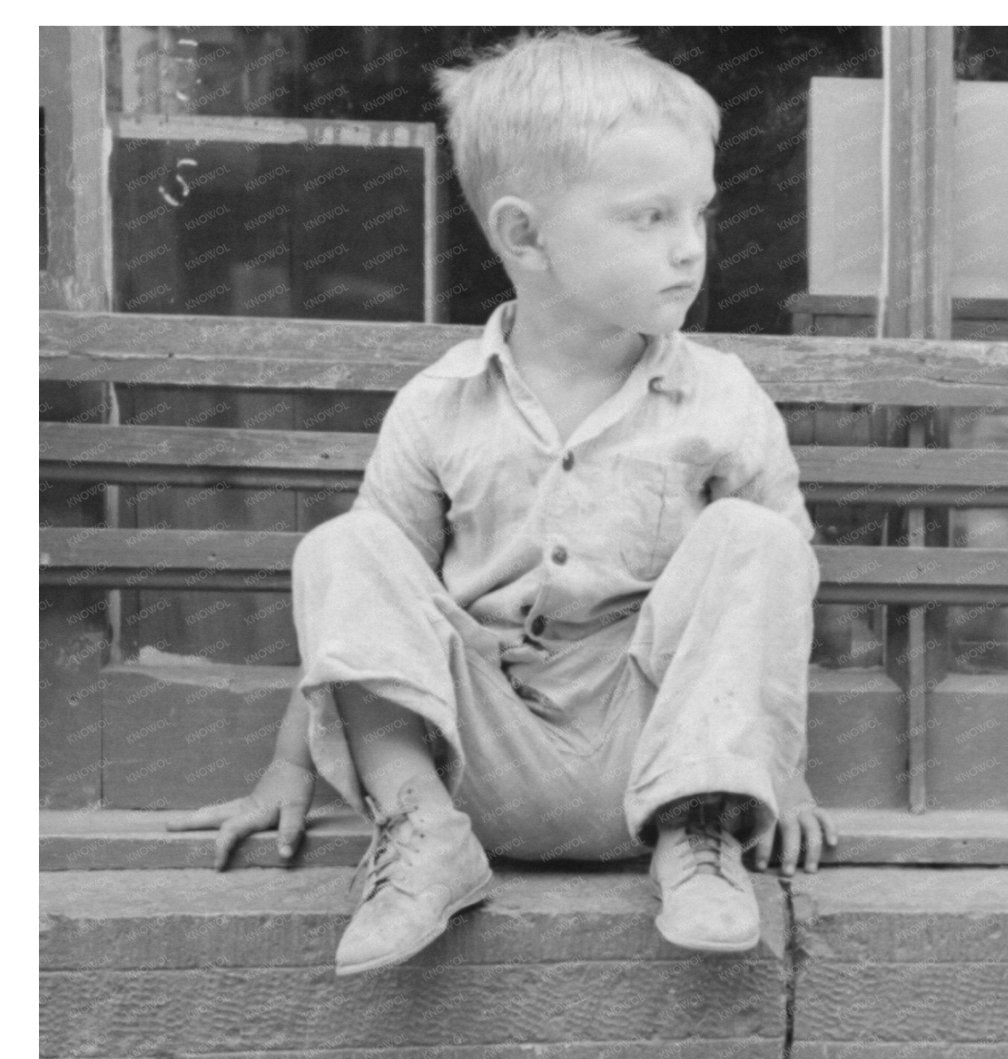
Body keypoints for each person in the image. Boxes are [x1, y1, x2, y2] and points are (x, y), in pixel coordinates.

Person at [171, 30, 834, 973]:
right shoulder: (440, 405)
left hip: (656, 758)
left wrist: (781, 770)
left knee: (759, 538)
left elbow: (774, 600)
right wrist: (288, 767)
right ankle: (420, 837)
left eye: (698, 212)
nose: (689, 247)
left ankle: (698, 839)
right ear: (525, 236)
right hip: (477, 760)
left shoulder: (723, 398)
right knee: (343, 545)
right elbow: (362, 609)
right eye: (649, 217)